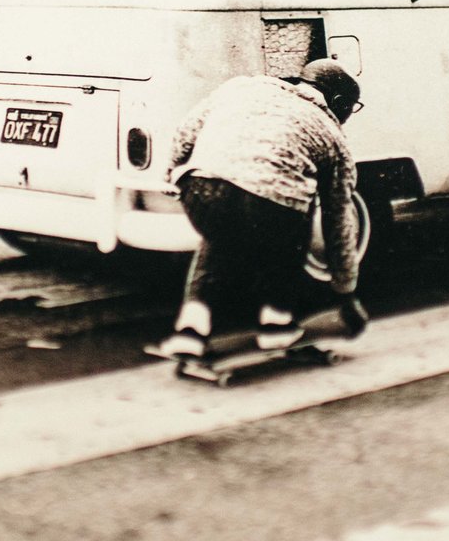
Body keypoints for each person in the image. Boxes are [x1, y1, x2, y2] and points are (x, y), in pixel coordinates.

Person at [157, 58, 369, 360]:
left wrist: (170, 171)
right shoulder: (333, 136)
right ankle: (277, 325)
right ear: (337, 101)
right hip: (270, 203)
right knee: (294, 220)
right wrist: (345, 291)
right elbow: (339, 219)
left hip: (201, 190)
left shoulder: (242, 87)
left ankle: (191, 330)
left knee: (218, 240)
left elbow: (186, 131)